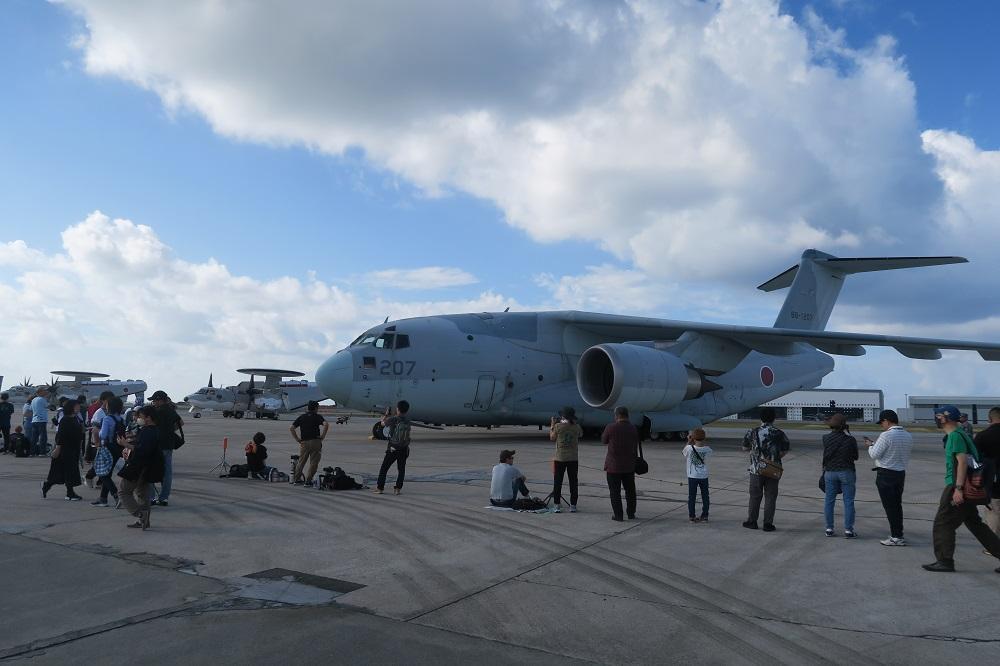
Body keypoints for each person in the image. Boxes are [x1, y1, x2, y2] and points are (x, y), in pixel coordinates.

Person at [922, 405, 1000, 573]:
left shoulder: (955, 437)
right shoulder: (960, 434)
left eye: (938, 416)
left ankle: (945, 561)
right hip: (963, 485)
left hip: (957, 486)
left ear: (945, 418)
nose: (936, 419)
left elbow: (963, 462)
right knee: (975, 524)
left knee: (943, 524)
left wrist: (958, 489)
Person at [865, 409, 913, 546]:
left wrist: (870, 446)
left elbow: (874, 455)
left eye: (882, 422)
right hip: (900, 474)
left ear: (887, 421)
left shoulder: (886, 436)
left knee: (890, 507)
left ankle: (896, 536)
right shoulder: (907, 435)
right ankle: (898, 533)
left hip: (886, 474)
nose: (882, 425)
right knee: (897, 505)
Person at [742, 407, 790, 531]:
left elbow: (745, 448)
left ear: (761, 418)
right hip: (773, 469)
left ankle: (752, 521)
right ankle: (768, 524)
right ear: (774, 418)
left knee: (755, 496)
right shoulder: (779, 433)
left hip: (756, 469)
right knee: (771, 496)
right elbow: (785, 450)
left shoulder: (752, 431)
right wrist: (773, 458)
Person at [117, 405, 164, 530]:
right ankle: (144, 521)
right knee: (142, 494)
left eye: (141, 416)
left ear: (148, 418)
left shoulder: (148, 431)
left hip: (139, 466)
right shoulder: (153, 430)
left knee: (123, 491)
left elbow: (143, 450)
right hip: (148, 467)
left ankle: (140, 514)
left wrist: (126, 445)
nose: (138, 418)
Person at [822, 413, 859, 538]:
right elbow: (856, 457)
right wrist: (848, 434)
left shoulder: (825, 438)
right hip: (846, 471)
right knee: (848, 501)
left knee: (829, 501)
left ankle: (829, 528)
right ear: (844, 426)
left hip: (830, 472)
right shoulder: (850, 439)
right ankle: (848, 530)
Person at [41, 399, 84, 501]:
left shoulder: (75, 418)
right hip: (65, 449)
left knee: (67, 471)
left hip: (73, 448)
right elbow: (61, 435)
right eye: (77, 406)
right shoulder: (65, 420)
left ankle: (63, 490)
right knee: (65, 471)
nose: (79, 407)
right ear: (71, 407)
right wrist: (58, 448)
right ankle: (68, 493)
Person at [602, 406, 639, 522]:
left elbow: (604, 440)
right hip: (629, 465)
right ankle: (631, 513)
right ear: (627, 415)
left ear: (616, 415)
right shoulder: (633, 428)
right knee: (630, 491)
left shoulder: (611, 427)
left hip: (614, 466)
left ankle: (618, 515)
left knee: (615, 492)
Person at [149, 390, 183, 506]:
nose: (153, 402)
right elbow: (181, 423)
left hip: (157, 444)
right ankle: (164, 498)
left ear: (160, 400)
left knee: (150, 469)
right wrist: (169, 431)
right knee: (167, 471)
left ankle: (151, 497)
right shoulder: (170, 410)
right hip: (169, 444)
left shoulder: (157, 412)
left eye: (154, 400)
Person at [92, 397, 125, 507]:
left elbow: (103, 435)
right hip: (118, 448)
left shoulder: (107, 419)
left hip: (107, 448)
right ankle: (103, 498)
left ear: (109, 406)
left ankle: (116, 495)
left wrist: (97, 431)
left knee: (102, 473)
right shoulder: (120, 419)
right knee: (108, 472)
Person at [549, 406, 583, 513]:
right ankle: (573, 505)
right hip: (573, 458)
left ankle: (557, 505)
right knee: (573, 482)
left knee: (558, 481)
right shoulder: (576, 427)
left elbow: (552, 437)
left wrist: (552, 425)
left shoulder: (558, 426)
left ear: (563, 416)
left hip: (560, 458)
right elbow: (581, 434)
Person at [973, 406, 1000, 537]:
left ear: (989, 419)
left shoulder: (982, 436)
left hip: (993, 479)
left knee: (993, 510)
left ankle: (994, 544)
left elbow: (973, 459)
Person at [375, 400, 411, 495]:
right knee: (401, 469)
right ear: (407, 410)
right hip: (403, 448)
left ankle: (380, 488)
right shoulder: (407, 420)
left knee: (384, 468)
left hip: (393, 448)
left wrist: (386, 415)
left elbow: (382, 424)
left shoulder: (393, 419)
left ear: (398, 409)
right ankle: (397, 489)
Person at [291, 400, 328, 487]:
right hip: (315, 442)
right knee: (314, 462)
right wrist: (322, 436)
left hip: (304, 442)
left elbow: (291, 428)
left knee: (301, 462)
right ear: (315, 408)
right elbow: (326, 424)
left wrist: (297, 439)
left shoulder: (302, 417)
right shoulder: (317, 416)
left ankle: (296, 480)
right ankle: (308, 481)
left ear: (308, 408)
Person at [683, 428, 713, 523]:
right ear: (704, 439)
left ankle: (692, 516)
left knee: (692, 497)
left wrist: (689, 441)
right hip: (703, 476)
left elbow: (683, 453)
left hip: (692, 476)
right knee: (705, 496)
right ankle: (705, 516)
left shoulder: (689, 448)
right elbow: (709, 454)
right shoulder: (708, 449)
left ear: (693, 438)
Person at [29, 387, 50, 456]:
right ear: (40, 392)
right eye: (44, 391)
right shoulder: (42, 399)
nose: (45, 392)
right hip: (41, 420)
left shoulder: (33, 400)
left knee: (34, 438)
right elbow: (49, 406)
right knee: (43, 437)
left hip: (34, 420)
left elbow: (31, 409)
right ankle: (42, 452)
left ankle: (32, 452)